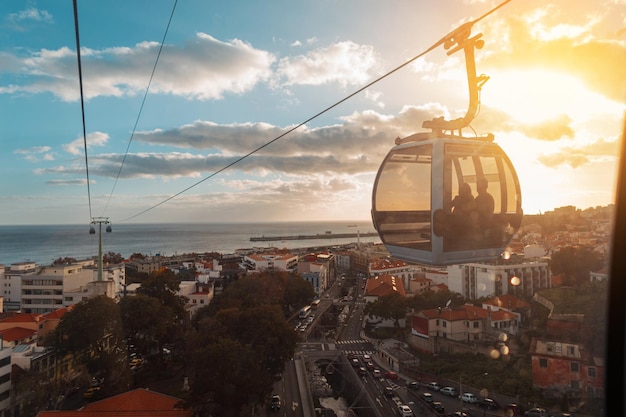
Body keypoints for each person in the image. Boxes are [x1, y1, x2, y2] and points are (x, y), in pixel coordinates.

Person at [475, 177, 498, 245]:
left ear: (485, 186)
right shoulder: (477, 198)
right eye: (477, 185)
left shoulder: (488, 198)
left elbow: (489, 215)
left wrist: (486, 228)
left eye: (479, 185)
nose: (478, 187)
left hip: (484, 227)